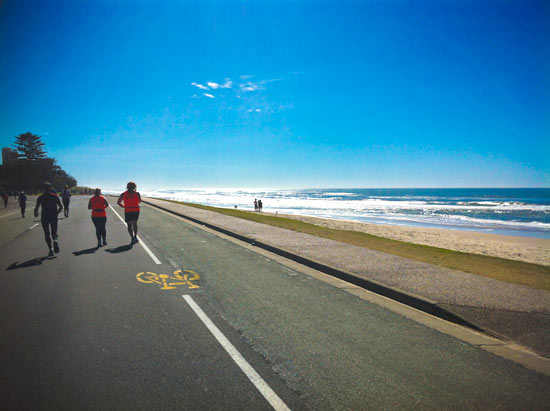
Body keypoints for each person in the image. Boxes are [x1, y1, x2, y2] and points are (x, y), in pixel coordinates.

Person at [34, 182, 63, 257]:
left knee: (47, 233)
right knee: (54, 232)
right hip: (53, 216)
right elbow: (61, 207)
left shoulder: (40, 197)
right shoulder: (55, 196)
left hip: (44, 217)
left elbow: (36, 208)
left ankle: (50, 249)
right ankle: (55, 240)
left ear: (43, 189)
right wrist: (56, 213)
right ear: (50, 188)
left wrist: (36, 213)